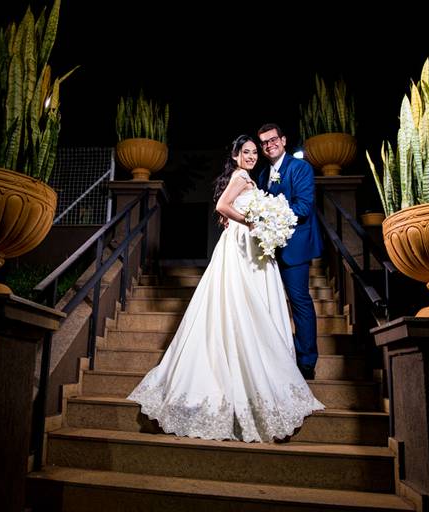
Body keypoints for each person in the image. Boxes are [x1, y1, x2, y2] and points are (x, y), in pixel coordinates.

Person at [127, 135, 324, 443]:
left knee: (253, 304)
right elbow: (222, 205)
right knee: (239, 303)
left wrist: (262, 222)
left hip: (251, 244)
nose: (252, 156)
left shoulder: (251, 177)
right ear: (235, 155)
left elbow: (230, 208)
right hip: (242, 245)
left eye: (254, 152)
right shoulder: (241, 176)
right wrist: (252, 221)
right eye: (246, 152)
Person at [256, 123, 323, 380]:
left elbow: (304, 207)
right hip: (269, 249)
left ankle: (306, 361)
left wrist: (271, 216)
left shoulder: (300, 168)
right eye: (264, 142)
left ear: (283, 140)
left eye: (273, 139)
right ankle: (279, 357)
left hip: (295, 248)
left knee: (299, 301)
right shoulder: (263, 174)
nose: (269, 145)